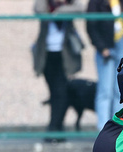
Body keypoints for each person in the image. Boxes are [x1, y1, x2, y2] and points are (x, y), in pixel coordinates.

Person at [33, 0, 85, 141]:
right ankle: (57, 130)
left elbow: (79, 8)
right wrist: (53, 12)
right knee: (55, 94)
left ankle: (54, 129)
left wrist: (59, 12)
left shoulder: (68, 8)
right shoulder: (45, 6)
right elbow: (39, 9)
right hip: (47, 55)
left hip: (63, 56)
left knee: (61, 93)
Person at [86, 0, 123, 130]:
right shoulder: (96, 2)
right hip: (106, 47)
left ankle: (117, 126)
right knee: (105, 90)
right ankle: (103, 128)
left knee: (120, 90)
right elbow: (91, 25)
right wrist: (101, 47)